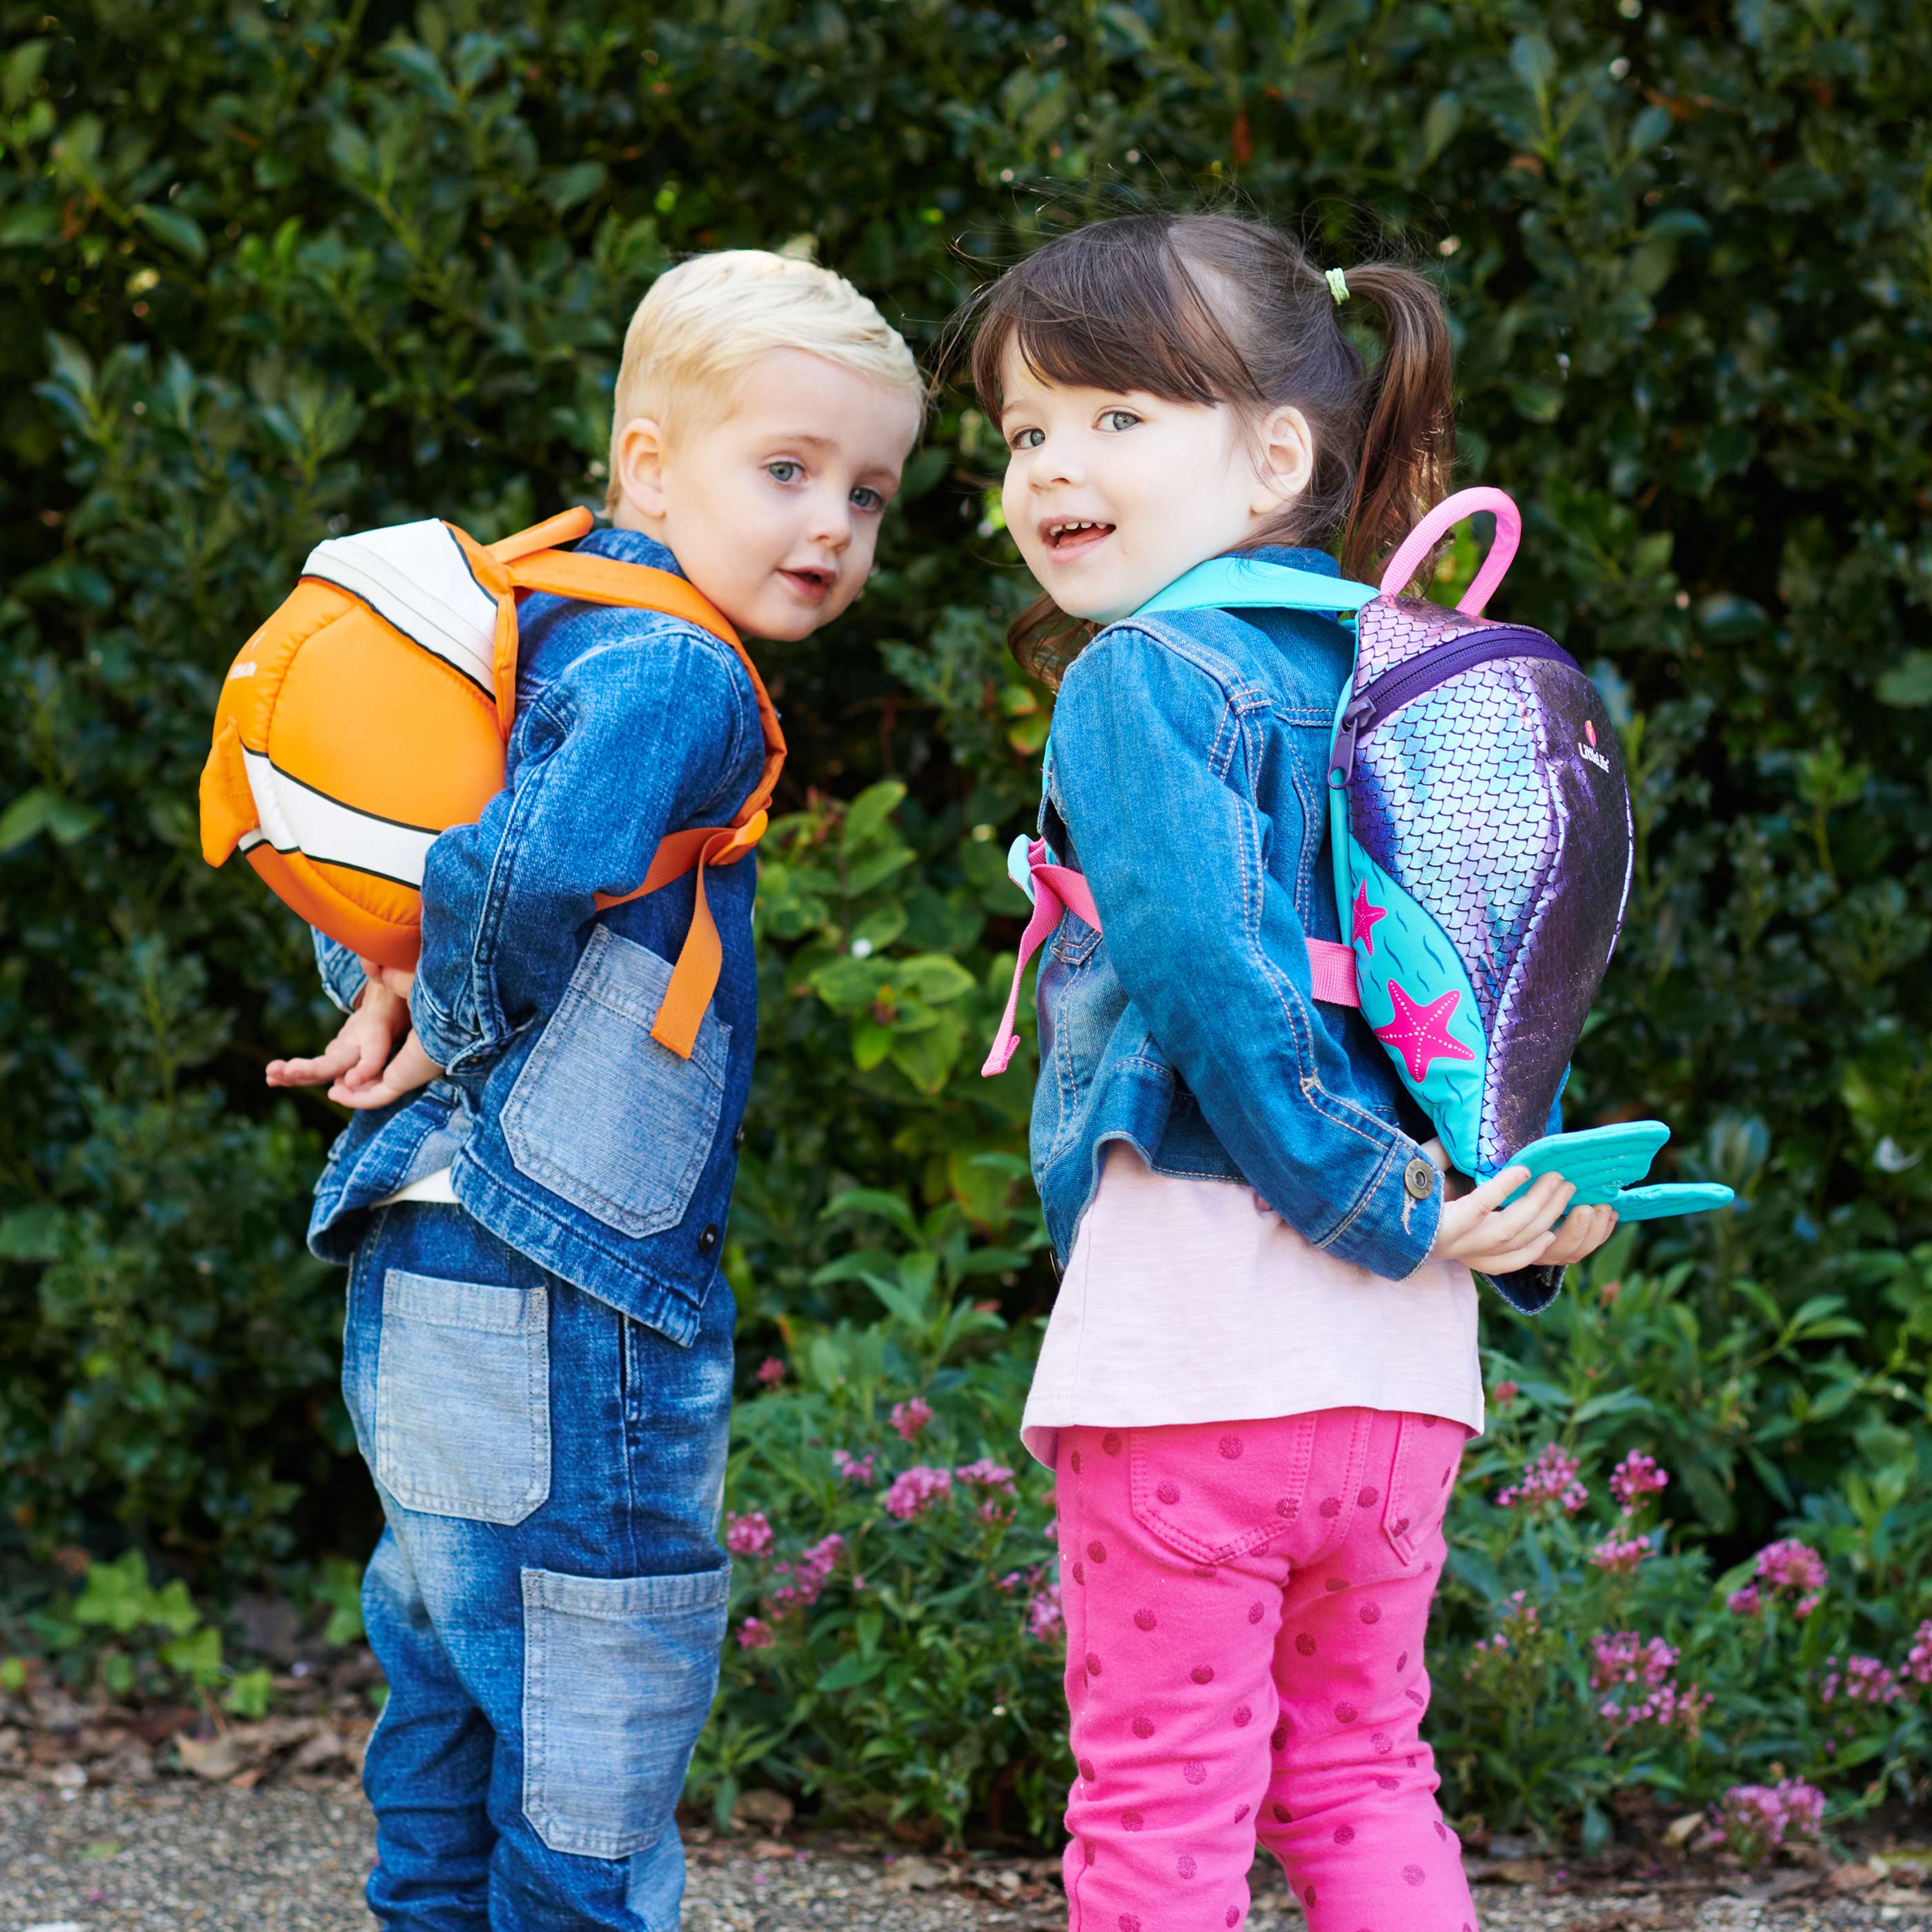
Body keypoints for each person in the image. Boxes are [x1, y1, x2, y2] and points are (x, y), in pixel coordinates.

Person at [958, 212, 1617, 1931]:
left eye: (1112, 417)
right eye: (1026, 431)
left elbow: (1204, 983)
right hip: (1403, 1385)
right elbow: (1500, 965)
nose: (1050, 468)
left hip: (1194, 1356)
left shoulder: (1141, 677)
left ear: (1272, 453)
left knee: (1165, 1809)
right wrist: (1502, 1202)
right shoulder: (1418, 670)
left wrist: (1374, 1196)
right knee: (1359, 1772)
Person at [266, 249, 923, 1930]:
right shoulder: (683, 668)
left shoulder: (527, 616)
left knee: (443, 1643)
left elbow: (384, 855)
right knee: (592, 1684)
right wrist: (462, 1018)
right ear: (644, 462)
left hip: (425, 1239)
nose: (830, 525)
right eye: (783, 470)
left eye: (866, 490)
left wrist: (392, 993)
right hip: (564, 1266)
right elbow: (526, 865)